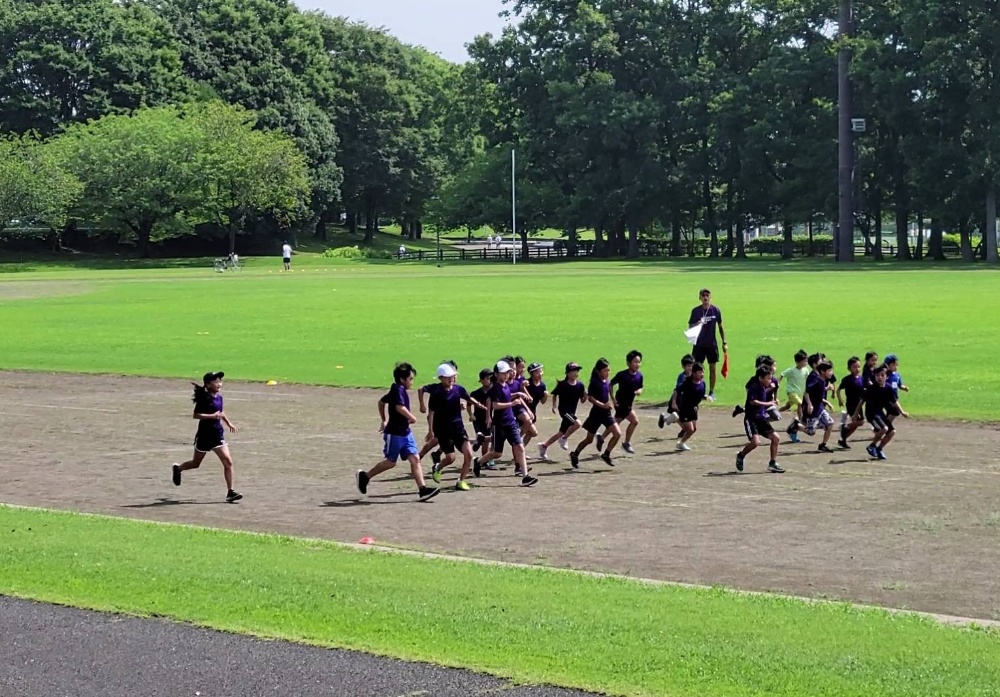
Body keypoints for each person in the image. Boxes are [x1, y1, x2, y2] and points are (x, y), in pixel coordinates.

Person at [356, 362, 440, 502]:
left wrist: (383, 419)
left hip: (406, 433)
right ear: (402, 379)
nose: (412, 382)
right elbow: (399, 407)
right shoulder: (398, 390)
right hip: (394, 434)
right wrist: (411, 417)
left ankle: (423, 490)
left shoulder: (395, 389)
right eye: (410, 379)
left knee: (415, 459)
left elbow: (381, 402)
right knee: (390, 462)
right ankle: (365, 476)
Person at [172, 371, 242, 502]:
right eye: (216, 381)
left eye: (220, 381)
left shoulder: (219, 397)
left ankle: (230, 492)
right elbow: (196, 415)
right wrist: (212, 416)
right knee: (195, 464)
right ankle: (178, 469)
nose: (219, 384)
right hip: (204, 436)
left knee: (228, 462)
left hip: (217, 434)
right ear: (208, 384)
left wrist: (229, 423)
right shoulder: (204, 399)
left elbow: (220, 412)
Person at [475, 361, 538, 486]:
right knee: (497, 453)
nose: (506, 375)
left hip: (511, 422)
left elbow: (507, 396)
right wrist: (512, 403)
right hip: (499, 424)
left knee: (519, 446)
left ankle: (525, 476)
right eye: (503, 373)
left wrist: (518, 394)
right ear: (497, 374)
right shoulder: (495, 388)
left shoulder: (505, 386)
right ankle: (478, 462)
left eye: (507, 373)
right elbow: (495, 405)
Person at [427, 363, 482, 491]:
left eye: (452, 376)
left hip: (458, 428)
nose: (451, 379)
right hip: (443, 430)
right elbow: (431, 413)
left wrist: (479, 405)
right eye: (447, 377)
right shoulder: (436, 393)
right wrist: (430, 431)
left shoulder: (459, 389)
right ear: (440, 378)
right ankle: (438, 467)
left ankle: (461, 481)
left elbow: (468, 399)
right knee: (450, 458)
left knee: (468, 454)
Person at [569, 358, 621, 469]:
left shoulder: (607, 381)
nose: (608, 373)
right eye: (605, 371)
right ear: (598, 371)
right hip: (596, 415)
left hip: (606, 414)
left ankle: (606, 454)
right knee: (589, 440)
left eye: (609, 370)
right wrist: (603, 405)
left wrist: (613, 401)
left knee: (617, 434)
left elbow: (609, 390)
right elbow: (591, 399)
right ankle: (575, 454)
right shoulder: (594, 383)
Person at [736, 366, 785, 474]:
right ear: (760, 378)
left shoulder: (763, 387)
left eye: (771, 377)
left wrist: (771, 390)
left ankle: (772, 463)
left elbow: (763, 394)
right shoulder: (754, 387)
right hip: (751, 419)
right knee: (755, 443)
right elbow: (753, 401)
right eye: (768, 378)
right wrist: (769, 403)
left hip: (761, 419)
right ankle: (741, 455)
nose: (770, 380)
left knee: (776, 438)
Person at [858, 365, 908, 460]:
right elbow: (862, 401)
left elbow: (894, 401)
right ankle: (872, 445)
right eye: (877, 375)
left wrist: (902, 412)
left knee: (892, 431)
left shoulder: (888, 388)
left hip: (880, 414)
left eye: (882, 375)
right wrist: (856, 414)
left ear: (886, 377)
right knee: (884, 428)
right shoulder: (872, 388)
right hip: (871, 414)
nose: (879, 377)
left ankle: (879, 448)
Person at [538, 362, 586, 461]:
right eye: (573, 371)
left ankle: (544, 446)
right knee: (577, 423)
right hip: (564, 411)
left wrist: (586, 396)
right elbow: (555, 394)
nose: (576, 373)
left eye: (577, 371)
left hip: (572, 412)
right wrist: (554, 405)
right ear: (568, 373)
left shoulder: (580, 385)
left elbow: (582, 400)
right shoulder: (563, 385)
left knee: (561, 432)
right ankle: (564, 439)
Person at [687, 289, 727, 400]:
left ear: (710, 297)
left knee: (712, 368)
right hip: (699, 344)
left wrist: (724, 342)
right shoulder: (696, 311)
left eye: (707, 295)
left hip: (711, 344)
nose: (705, 297)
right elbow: (690, 326)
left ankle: (711, 391)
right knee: (695, 368)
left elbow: (720, 326)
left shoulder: (715, 310)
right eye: (703, 295)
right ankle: (694, 389)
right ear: (699, 298)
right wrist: (697, 323)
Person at [611, 350, 644, 454]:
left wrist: (639, 391)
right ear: (628, 363)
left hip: (628, 403)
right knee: (634, 421)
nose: (637, 364)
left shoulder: (639, 376)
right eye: (635, 362)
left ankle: (601, 437)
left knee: (615, 423)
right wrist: (613, 399)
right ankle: (626, 443)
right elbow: (610, 384)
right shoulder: (622, 375)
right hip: (621, 403)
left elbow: (640, 387)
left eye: (639, 362)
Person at [803, 360, 836, 452]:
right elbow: (806, 393)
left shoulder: (823, 382)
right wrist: (809, 404)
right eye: (829, 371)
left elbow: (818, 397)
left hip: (820, 409)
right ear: (822, 372)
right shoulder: (817, 381)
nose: (831, 373)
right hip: (813, 411)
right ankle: (796, 425)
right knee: (811, 432)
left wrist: (828, 403)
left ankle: (823, 445)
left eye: (831, 370)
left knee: (830, 423)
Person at [673, 362, 707, 451]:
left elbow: (700, 393)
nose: (702, 374)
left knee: (693, 429)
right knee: (690, 429)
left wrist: (705, 397)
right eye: (699, 372)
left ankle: (675, 418)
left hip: (694, 409)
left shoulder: (703, 383)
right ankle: (680, 443)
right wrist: (674, 402)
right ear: (694, 373)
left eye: (703, 372)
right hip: (686, 408)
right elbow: (676, 391)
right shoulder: (688, 383)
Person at [836, 357, 866, 448]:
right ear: (849, 368)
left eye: (858, 367)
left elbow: (864, 390)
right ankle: (845, 428)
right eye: (854, 367)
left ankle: (843, 439)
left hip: (859, 403)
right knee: (860, 422)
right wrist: (840, 400)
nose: (857, 369)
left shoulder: (861, 379)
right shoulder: (847, 379)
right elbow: (838, 390)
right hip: (851, 403)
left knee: (857, 423)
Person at [659, 354, 694, 429]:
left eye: (692, 366)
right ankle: (683, 430)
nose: (690, 368)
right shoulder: (682, 377)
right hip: (679, 400)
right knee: (680, 418)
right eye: (688, 366)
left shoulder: (693, 376)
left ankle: (664, 419)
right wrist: (674, 402)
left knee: (682, 418)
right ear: (683, 367)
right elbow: (677, 390)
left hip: (686, 402)